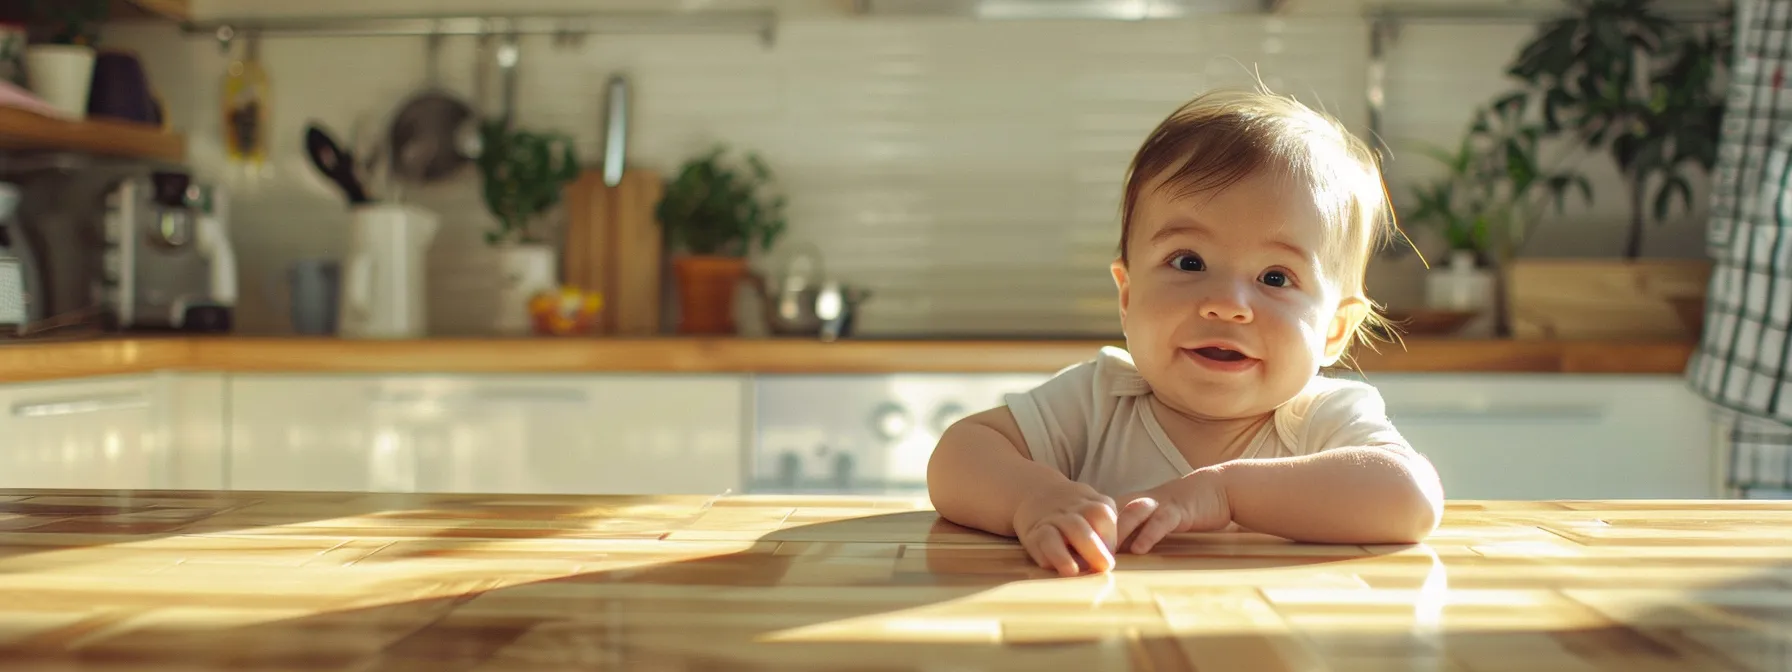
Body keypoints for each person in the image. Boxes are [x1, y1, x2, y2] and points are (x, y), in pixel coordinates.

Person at [925, 88, 1446, 578]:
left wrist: (1226, 493)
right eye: (1189, 261)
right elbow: (961, 453)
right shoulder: (1100, 398)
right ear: (1127, 296)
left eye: (1275, 278)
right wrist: (1032, 499)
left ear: (1334, 331)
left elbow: (1413, 498)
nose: (1225, 305)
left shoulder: (1321, 418)